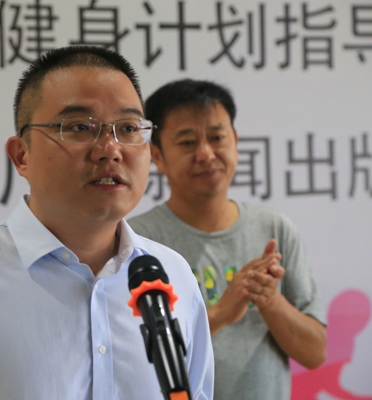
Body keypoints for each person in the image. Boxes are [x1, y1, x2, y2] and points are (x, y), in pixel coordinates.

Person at [0, 48, 214, 400]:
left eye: (127, 128)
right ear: (22, 155)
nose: (110, 149)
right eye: (80, 127)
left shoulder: (172, 276)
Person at [128, 79, 327, 400]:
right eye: (187, 142)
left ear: (235, 140)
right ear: (157, 156)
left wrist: (269, 300)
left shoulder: (274, 229)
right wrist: (220, 313)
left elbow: (315, 352)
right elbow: (128, 357)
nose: (206, 154)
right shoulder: (136, 241)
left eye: (217, 137)